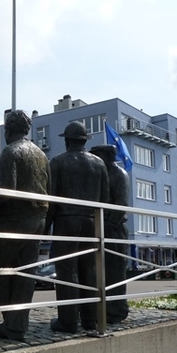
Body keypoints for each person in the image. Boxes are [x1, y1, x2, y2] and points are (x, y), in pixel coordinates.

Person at [0, 110, 51, 340]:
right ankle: (17, 323)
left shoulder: (11, 151)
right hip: (38, 219)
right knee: (25, 273)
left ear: (8, 130)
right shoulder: (41, 155)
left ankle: (12, 321)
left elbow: (6, 189)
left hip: (15, 219)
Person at [45, 122, 109, 333]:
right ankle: (91, 320)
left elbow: (51, 199)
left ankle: (68, 321)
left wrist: (46, 227)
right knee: (89, 269)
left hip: (66, 220)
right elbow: (105, 200)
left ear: (67, 140)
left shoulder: (58, 162)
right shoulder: (99, 164)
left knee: (66, 270)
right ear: (84, 141)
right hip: (91, 221)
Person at [90, 144, 130, 323]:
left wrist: (109, 225)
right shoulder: (100, 173)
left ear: (106, 156)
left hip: (114, 229)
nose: (94, 158)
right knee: (98, 271)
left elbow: (121, 204)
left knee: (115, 270)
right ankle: (99, 309)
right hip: (99, 227)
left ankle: (116, 311)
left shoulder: (119, 173)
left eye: (97, 155)